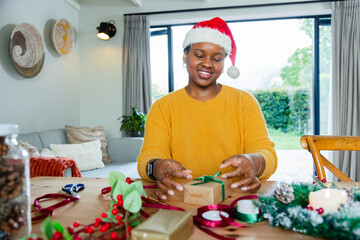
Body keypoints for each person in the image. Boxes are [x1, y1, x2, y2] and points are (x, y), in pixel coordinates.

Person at [137, 17, 277, 200]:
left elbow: (267, 154)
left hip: (235, 197)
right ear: (185, 56)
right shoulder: (163, 107)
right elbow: (147, 158)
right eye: (199, 55)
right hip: (179, 199)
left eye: (217, 58)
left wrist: (254, 162)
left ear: (224, 62)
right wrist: (156, 166)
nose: (208, 64)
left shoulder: (244, 102)